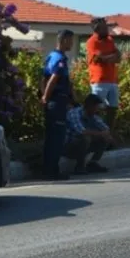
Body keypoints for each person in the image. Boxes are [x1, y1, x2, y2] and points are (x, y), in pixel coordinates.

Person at [41, 30, 75, 181]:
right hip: (57, 101)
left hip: (53, 102)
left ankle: (47, 169)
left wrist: (44, 97)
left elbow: (43, 78)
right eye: (71, 40)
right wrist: (46, 97)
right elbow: (53, 79)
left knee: (51, 137)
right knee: (57, 138)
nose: (72, 44)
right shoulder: (60, 59)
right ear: (64, 40)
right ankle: (52, 170)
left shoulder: (51, 56)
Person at [85, 17, 121, 129]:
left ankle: (108, 131)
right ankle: (95, 131)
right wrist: (112, 57)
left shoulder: (110, 40)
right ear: (97, 29)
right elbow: (99, 59)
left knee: (113, 108)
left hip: (112, 80)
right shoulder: (92, 42)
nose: (107, 29)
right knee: (97, 109)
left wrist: (107, 57)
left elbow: (119, 57)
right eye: (104, 27)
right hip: (99, 81)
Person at [64, 94, 113, 174]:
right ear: (90, 106)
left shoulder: (92, 115)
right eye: (96, 107)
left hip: (82, 146)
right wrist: (100, 133)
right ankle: (80, 166)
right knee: (85, 138)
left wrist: (105, 134)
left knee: (104, 138)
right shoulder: (74, 113)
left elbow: (105, 128)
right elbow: (81, 131)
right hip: (68, 146)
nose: (97, 110)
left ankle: (92, 163)